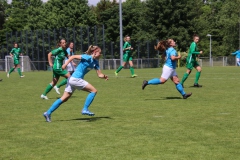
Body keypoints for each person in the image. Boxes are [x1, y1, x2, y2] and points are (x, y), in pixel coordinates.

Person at [43, 45, 108, 122]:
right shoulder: (87, 57)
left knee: (64, 98)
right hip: (75, 79)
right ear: (94, 52)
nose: (100, 54)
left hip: (73, 79)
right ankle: (85, 109)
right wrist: (65, 64)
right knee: (94, 91)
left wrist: (104, 76)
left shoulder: (95, 62)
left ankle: (48, 113)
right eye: (99, 53)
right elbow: (72, 57)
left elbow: (99, 74)